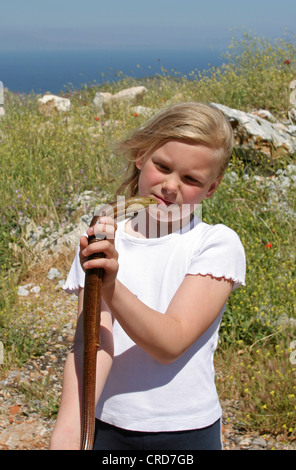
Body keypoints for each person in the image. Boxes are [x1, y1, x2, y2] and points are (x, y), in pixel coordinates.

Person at [49, 102, 246, 450]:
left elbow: (170, 343)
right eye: (163, 166)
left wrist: (111, 284)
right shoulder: (103, 237)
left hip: (185, 433)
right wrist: (67, 438)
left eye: (191, 179)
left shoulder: (216, 243)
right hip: (105, 425)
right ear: (141, 155)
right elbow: (92, 342)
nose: (170, 186)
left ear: (211, 188)